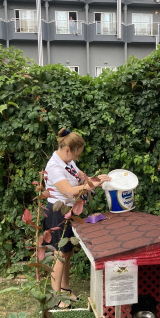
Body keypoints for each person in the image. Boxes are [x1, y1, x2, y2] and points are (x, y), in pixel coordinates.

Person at [44, 128, 110, 308]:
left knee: (67, 251)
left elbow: (80, 177)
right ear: (67, 150)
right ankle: (55, 298)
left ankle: (64, 289)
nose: (76, 159)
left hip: (69, 210)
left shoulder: (68, 162)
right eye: (76, 155)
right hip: (57, 211)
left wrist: (93, 179)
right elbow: (68, 191)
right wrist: (93, 184)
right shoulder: (54, 167)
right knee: (59, 254)